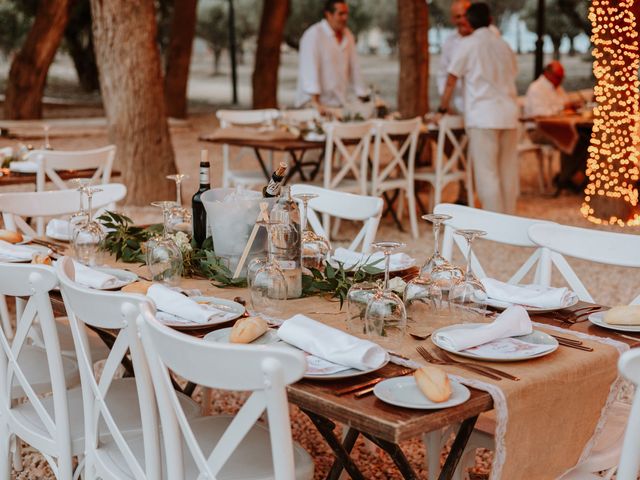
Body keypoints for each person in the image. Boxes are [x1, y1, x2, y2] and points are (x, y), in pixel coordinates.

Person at [437, 2, 519, 214]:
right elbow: (514, 71)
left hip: (483, 116)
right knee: (508, 170)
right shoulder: (504, 45)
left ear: (469, 22)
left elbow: (451, 79)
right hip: (509, 113)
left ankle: (494, 223)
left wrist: (442, 107)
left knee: (487, 173)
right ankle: (510, 217)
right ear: (490, 20)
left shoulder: (468, 44)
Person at [295, 0, 368, 112]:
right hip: (313, 105)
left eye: (346, 14)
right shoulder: (314, 35)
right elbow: (309, 71)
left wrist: (362, 95)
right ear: (328, 14)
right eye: (340, 13)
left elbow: (355, 68)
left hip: (338, 104)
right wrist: (316, 104)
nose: (345, 18)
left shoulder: (348, 35)